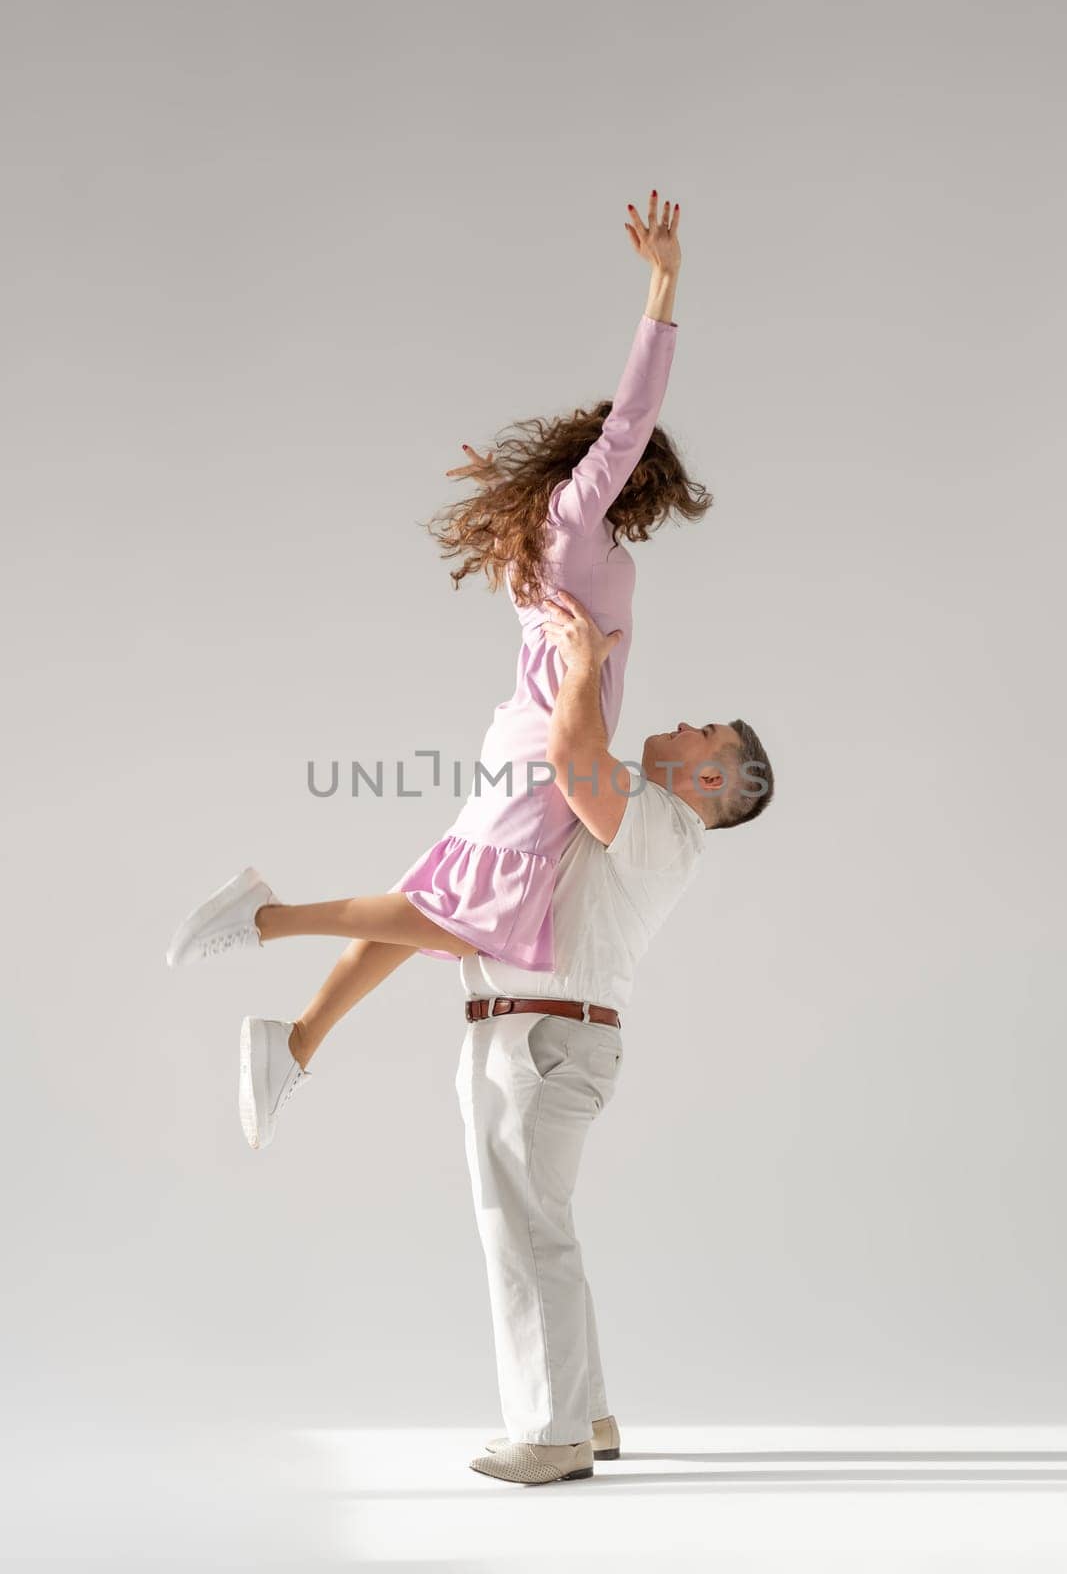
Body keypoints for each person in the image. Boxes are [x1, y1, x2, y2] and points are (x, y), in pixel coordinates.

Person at [165, 192, 729, 1152]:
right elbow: (631, 413)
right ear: (621, 472)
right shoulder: (575, 515)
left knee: (434, 907)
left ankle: (293, 1039)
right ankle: (265, 924)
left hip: (530, 742)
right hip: (551, 749)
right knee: (452, 920)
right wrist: (664, 285)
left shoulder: (542, 529)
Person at [458, 590, 774, 1484]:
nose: (680, 724)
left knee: (522, 1235)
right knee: (538, 1227)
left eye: (701, 732)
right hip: (541, 1040)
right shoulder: (651, 821)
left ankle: (551, 1433)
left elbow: (567, 756)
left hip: (541, 1044)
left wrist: (586, 663)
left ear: (710, 782)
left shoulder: (663, 828)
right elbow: (572, 759)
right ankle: (585, 1414)